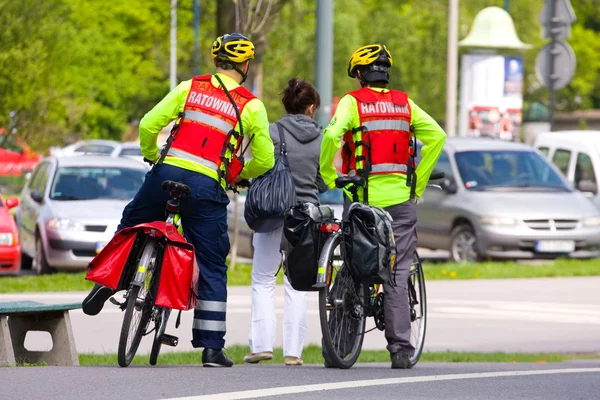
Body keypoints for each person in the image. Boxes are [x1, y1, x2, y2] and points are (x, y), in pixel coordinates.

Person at [81, 33, 275, 368]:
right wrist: (236, 175)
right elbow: (266, 159)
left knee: (131, 226)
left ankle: (107, 282)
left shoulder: (190, 87)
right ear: (245, 65)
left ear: (216, 61)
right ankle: (211, 348)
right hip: (206, 188)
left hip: (165, 174)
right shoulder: (251, 106)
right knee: (212, 262)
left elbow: (148, 124)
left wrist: (150, 155)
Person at [319, 42, 446, 369]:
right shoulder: (405, 105)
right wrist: (417, 183)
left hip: (362, 202)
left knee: (351, 263)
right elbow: (437, 137)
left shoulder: (352, 103)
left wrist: (329, 175)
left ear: (360, 75)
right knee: (397, 271)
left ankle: (340, 345)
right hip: (401, 204)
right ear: (385, 73)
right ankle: (401, 350)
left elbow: (332, 135)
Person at [244, 78, 327, 367]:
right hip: (306, 216)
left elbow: (260, 166)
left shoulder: (272, 132)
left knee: (264, 279)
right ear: (312, 107)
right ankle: (293, 352)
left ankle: (262, 346)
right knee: (297, 283)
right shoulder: (323, 138)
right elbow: (324, 180)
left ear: (286, 105)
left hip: (273, 212)